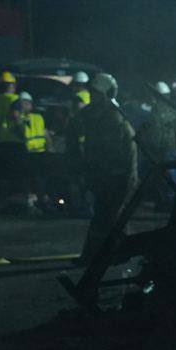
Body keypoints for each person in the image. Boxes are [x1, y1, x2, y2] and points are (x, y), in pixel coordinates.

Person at [67, 73, 138, 262]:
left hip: (118, 176)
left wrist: (128, 178)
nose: (92, 96)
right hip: (104, 175)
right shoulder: (93, 115)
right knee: (113, 217)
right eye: (92, 92)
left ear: (108, 94)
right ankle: (120, 253)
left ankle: (94, 256)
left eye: (96, 93)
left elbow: (121, 153)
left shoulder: (115, 119)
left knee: (106, 217)